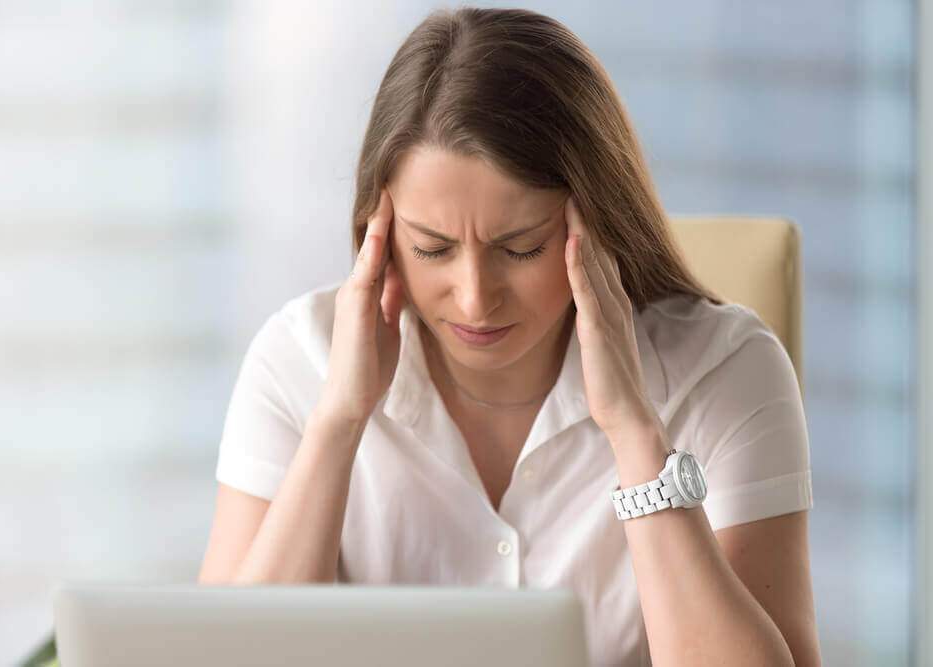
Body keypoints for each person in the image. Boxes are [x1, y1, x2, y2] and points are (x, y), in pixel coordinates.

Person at [198, 7, 822, 666]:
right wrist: (338, 421)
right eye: (432, 247)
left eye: (520, 248)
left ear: (598, 222)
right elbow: (228, 658)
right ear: (379, 235)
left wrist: (636, 432)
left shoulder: (726, 370)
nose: (474, 297)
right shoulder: (296, 361)